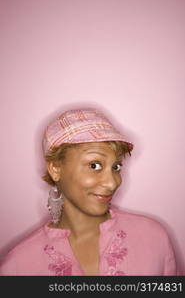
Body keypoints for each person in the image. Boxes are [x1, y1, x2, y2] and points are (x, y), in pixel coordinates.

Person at [0, 107, 177, 276]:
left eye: (116, 167)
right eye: (94, 165)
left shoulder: (153, 238)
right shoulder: (18, 267)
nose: (112, 183)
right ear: (55, 168)